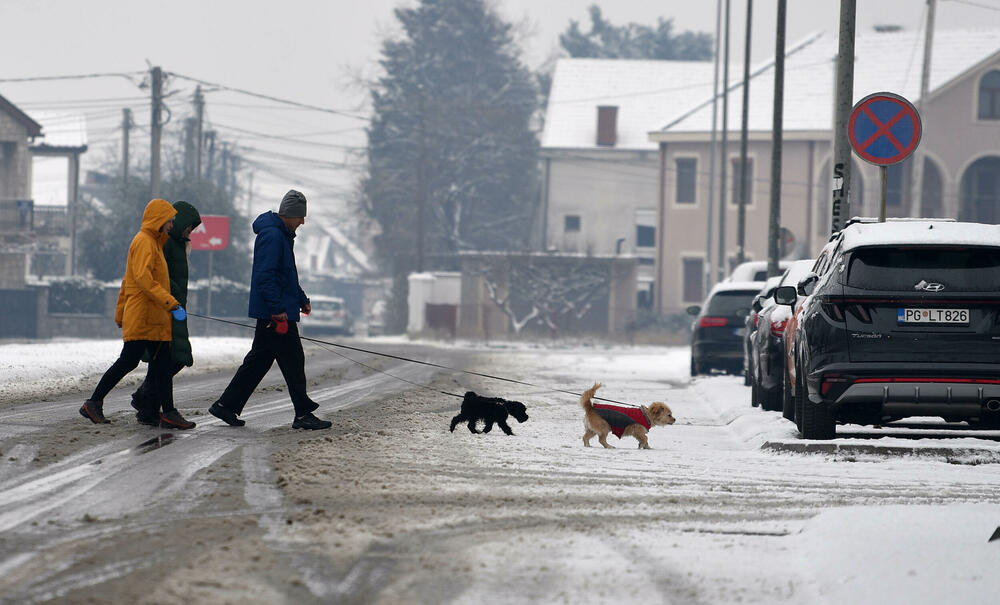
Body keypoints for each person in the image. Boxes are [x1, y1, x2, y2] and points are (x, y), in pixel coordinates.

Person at [208, 190, 332, 430]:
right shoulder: (274, 237)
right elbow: (266, 277)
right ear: (289, 215)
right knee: (293, 360)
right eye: (300, 217)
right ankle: (303, 413)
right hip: (275, 316)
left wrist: (301, 299)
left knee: (259, 361)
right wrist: (277, 310)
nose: (302, 222)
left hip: (276, 312)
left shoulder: (281, 236)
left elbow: (285, 275)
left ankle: (226, 405)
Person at [80, 199, 195, 429]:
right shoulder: (144, 242)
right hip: (144, 317)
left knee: (162, 365)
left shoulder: (154, 243)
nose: (172, 225)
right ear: (159, 220)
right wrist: (170, 302)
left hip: (154, 319)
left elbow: (127, 280)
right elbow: (142, 280)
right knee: (128, 361)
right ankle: (93, 403)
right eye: (169, 220)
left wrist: (121, 310)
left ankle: (168, 412)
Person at [129, 201, 201, 429]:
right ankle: (147, 401)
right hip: (166, 306)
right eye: (188, 226)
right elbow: (156, 275)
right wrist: (175, 295)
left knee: (169, 359)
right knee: (172, 358)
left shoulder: (179, 244)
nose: (190, 231)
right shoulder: (167, 243)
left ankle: (148, 402)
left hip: (173, 306)